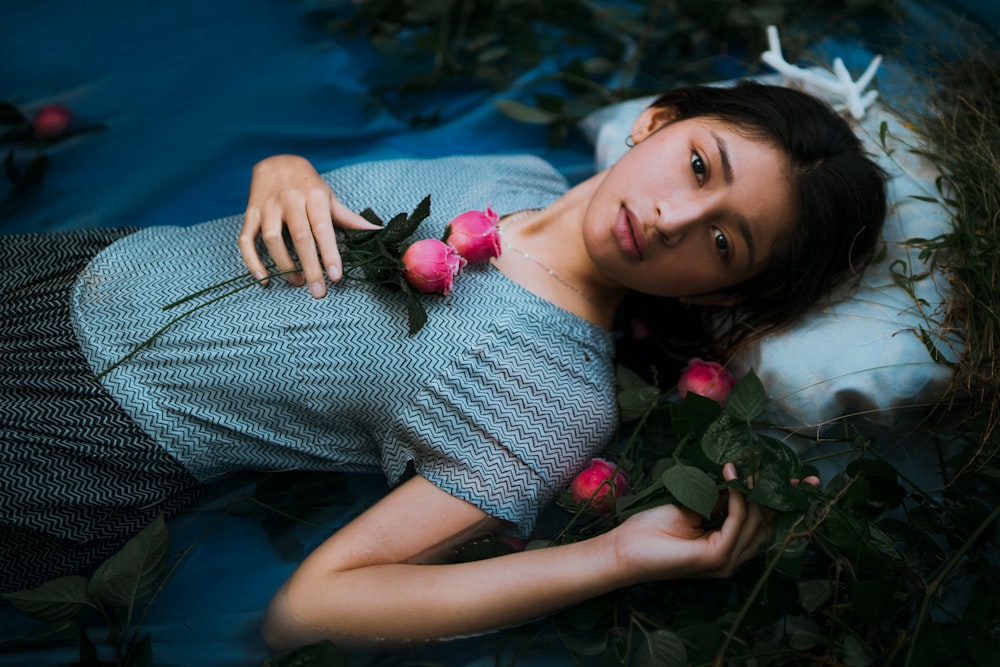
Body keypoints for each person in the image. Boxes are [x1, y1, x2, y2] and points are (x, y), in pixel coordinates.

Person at [0, 81, 885, 649]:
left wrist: (618, 556)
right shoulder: (520, 168)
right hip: (77, 269)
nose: (671, 218)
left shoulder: (553, 398)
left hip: (87, 436)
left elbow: (308, 611)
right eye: (698, 164)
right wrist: (285, 168)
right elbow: (315, 216)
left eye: (723, 241)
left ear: (709, 294)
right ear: (658, 121)